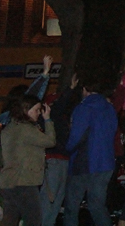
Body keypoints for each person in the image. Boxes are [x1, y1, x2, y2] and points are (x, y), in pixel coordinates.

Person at [62, 78, 118, 226]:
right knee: (97, 206)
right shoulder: (110, 108)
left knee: (71, 206)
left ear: (84, 90)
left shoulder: (84, 108)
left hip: (84, 162)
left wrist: (66, 148)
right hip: (106, 163)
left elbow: (76, 135)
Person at [0, 94, 55, 226]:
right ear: (26, 110)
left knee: (10, 218)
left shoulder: (9, 128)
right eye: (36, 110)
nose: (38, 113)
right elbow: (50, 141)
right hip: (25, 181)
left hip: (7, 180)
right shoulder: (27, 129)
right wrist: (47, 120)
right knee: (33, 219)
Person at [40, 74, 81, 226]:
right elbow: (59, 106)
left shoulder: (60, 118)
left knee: (56, 200)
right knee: (49, 199)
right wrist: (70, 89)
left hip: (62, 160)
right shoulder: (51, 116)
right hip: (54, 160)